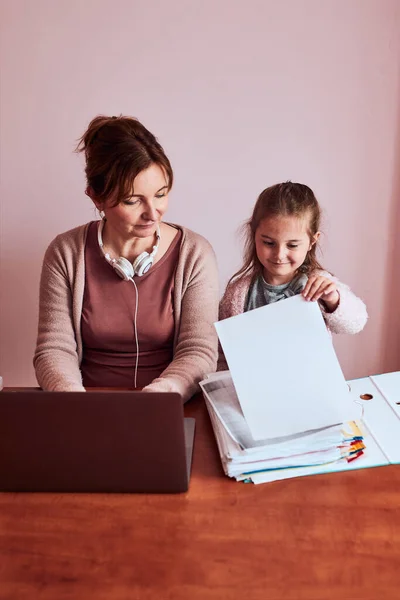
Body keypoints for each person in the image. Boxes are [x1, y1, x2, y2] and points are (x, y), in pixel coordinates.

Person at [34, 115, 219, 401]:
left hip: (167, 407)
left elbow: (199, 350)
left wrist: (155, 400)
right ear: (96, 197)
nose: (152, 212)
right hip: (85, 408)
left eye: (160, 194)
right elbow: (53, 349)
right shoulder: (65, 253)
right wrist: (75, 404)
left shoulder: (195, 253)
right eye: (132, 201)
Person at [219, 181, 367, 368]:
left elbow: (356, 323)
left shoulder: (319, 284)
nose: (279, 255)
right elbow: (223, 349)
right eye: (269, 243)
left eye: (292, 245)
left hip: (310, 387)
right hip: (257, 389)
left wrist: (333, 299)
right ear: (254, 234)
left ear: (313, 241)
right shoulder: (238, 292)